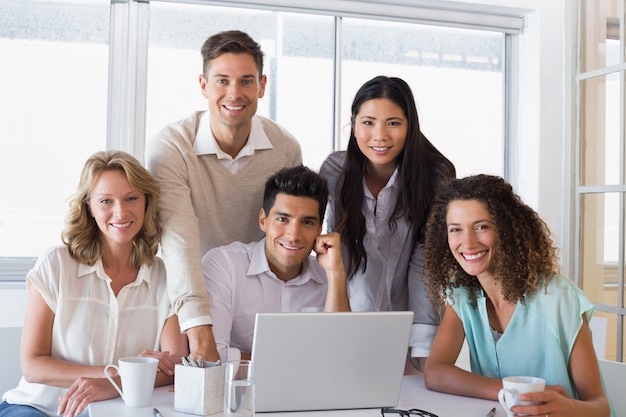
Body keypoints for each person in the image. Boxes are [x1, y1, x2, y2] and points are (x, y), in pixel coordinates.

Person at [145, 30, 302, 361]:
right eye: (222, 81)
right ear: (203, 85)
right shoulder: (171, 147)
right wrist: (200, 330)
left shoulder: (285, 148)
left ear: (262, 85)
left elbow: (286, 228)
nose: (234, 93)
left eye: (246, 81)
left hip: (256, 296)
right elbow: (178, 238)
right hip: (192, 298)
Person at [0, 150, 189, 417]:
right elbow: (33, 365)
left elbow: (174, 367)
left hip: (117, 411)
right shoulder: (56, 265)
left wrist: (111, 386)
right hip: (37, 408)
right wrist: (118, 374)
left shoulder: (165, 276)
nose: (120, 212)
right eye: (106, 201)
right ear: (89, 207)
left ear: (146, 202)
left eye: (131, 198)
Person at [422, 174, 610, 417]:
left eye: (481, 227)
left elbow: (600, 407)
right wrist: (514, 393)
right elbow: (435, 372)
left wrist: (570, 408)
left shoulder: (556, 297)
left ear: (507, 230)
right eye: (455, 229)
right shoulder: (461, 295)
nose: (467, 242)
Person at [319, 75, 456, 372]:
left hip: (410, 314)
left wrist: (422, 349)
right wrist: (340, 323)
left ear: (410, 126)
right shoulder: (334, 170)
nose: (379, 136)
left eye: (393, 123)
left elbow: (426, 261)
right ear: (353, 122)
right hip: (349, 314)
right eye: (368, 122)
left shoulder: (435, 174)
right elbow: (336, 250)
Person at [202, 166, 350, 359]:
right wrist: (296, 364)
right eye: (282, 219)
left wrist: (336, 273)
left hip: (310, 389)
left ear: (320, 229)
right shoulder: (224, 266)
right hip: (244, 389)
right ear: (263, 220)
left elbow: (338, 357)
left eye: (307, 222)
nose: (293, 235)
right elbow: (214, 356)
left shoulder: (328, 275)